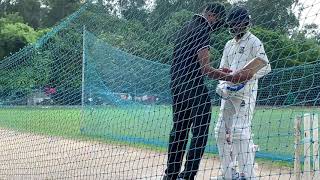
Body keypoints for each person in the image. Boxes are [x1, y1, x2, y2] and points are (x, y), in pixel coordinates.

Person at [164, 3, 251, 180]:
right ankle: (188, 175)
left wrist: (221, 72)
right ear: (212, 15)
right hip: (193, 85)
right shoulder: (203, 29)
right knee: (201, 130)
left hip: (176, 85)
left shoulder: (186, 27)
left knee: (179, 130)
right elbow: (205, 69)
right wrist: (231, 77)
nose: (218, 26)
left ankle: (170, 175)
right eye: (218, 21)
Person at [214, 6, 271, 180]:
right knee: (220, 132)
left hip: (246, 93)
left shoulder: (254, 42)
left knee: (239, 132)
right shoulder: (229, 44)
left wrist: (247, 76)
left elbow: (266, 66)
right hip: (229, 94)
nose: (234, 26)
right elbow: (222, 69)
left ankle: (249, 175)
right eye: (232, 23)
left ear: (245, 23)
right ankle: (229, 173)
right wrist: (222, 83)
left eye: (237, 23)